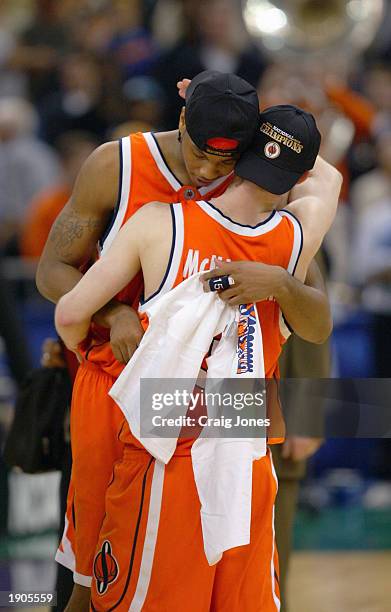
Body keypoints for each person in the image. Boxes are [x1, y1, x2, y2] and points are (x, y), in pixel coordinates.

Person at [55, 104, 341, 611]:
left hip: (164, 430)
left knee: (114, 587)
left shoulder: (158, 223)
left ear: (239, 150)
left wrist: (91, 337)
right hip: (243, 435)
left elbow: (69, 313)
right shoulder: (296, 239)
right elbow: (329, 180)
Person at [36, 70, 261, 609]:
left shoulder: (260, 177)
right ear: (181, 118)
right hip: (120, 380)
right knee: (93, 567)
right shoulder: (115, 165)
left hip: (220, 396)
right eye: (198, 153)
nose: (208, 169)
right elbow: (51, 269)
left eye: (223, 161)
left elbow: (302, 273)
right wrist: (114, 313)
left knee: (226, 563)